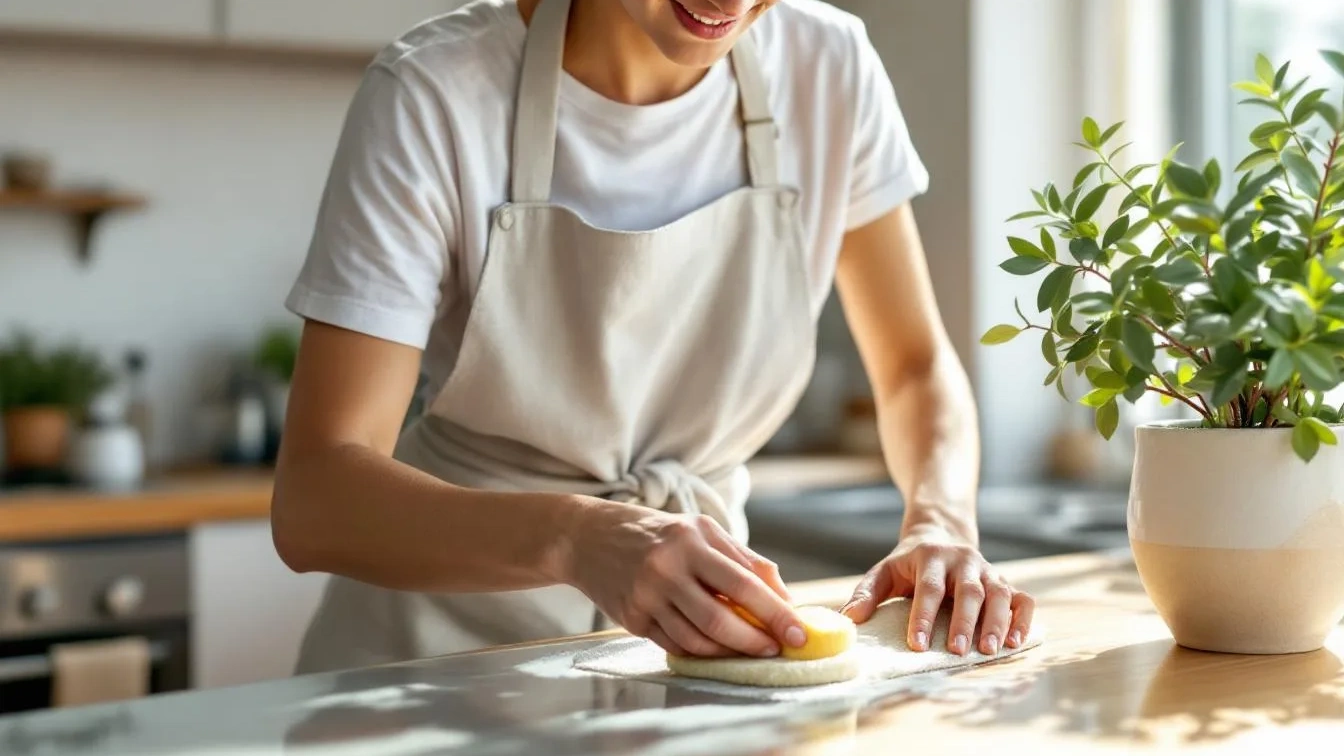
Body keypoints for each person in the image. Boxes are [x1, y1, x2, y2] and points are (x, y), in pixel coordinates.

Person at [273, 0, 1035, 675]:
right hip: (430, 679)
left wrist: (939, 521)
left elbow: (912, 366)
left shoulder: (827, 68)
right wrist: (575, 538)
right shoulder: (433, 93)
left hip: (686, 671)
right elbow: (316, 497)